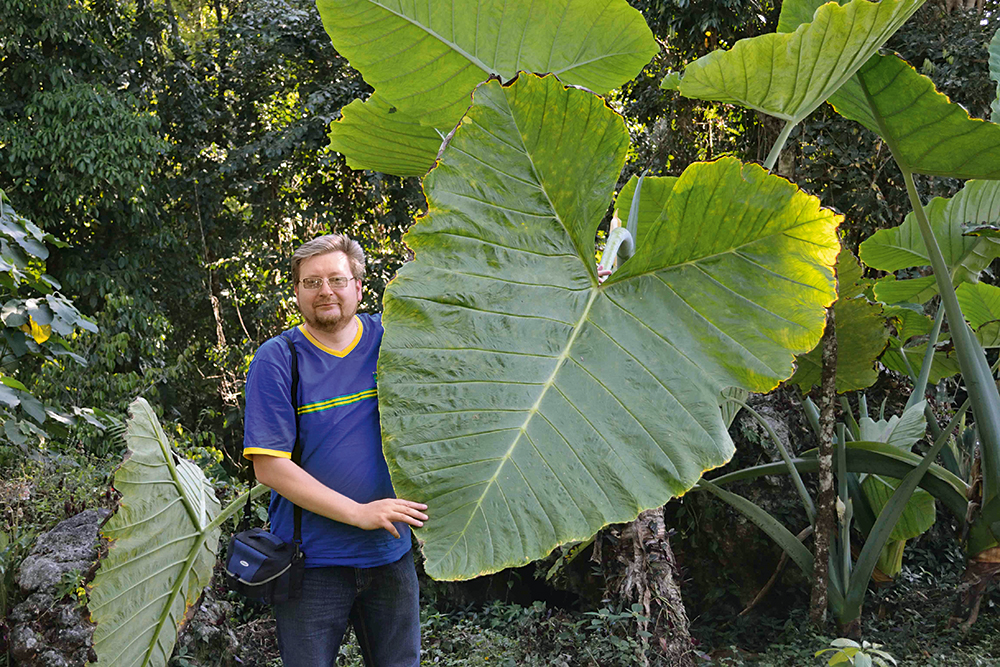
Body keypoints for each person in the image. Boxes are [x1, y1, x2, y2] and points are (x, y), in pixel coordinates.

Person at [242, 233, 428, 667]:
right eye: (311, 283)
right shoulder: (278, 359)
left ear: (358, 287)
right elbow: (270, 468)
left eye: (337, 280)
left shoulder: (393, 341)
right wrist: (359, 513)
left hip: (390, 554)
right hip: (312, 564)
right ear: (297, 292)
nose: (325, 291)